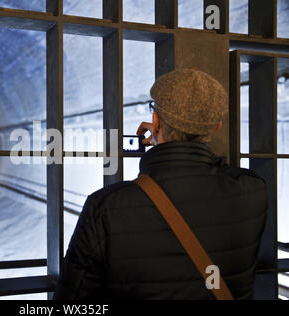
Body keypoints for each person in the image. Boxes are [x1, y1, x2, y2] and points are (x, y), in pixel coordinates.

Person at [53, 68, 268, 300]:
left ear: (155, 122)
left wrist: (159, 143)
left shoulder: (104, 208)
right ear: (215, 128)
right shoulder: (253, 190)